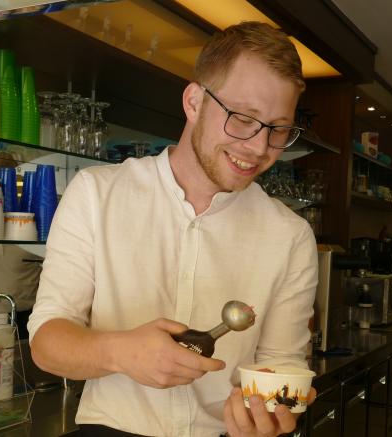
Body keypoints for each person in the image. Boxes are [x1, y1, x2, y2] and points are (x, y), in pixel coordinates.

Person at [27, 21, 318, 437]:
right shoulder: (96, 194)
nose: (259, 148)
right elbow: (47, 342)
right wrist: (121, 352)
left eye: (278, 129)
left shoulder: (290, 235)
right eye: (242, 118)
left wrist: (274, 415)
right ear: (194, 101)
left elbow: (281, 363)